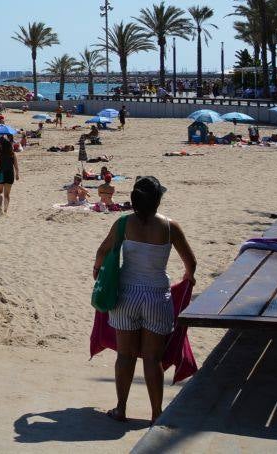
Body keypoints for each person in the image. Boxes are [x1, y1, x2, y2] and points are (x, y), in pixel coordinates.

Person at [92, 176, 196, 424]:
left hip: (126, 296)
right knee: (153, 359)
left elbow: (102, 252)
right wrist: (188, 279)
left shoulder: (123, 224)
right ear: (158, 200)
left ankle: (120, 409)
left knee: (125, 356)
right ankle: (156, 414)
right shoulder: (170, 227)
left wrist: (98, 272)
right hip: (157, 297)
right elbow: (190, 263)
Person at [0, 135, 18, 215]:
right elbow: (16, 165)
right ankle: (5, 211)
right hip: (10, 174)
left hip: (0, 173)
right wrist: (17, 174)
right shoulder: (13, 154)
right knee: (7, 194)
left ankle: (0, 207)